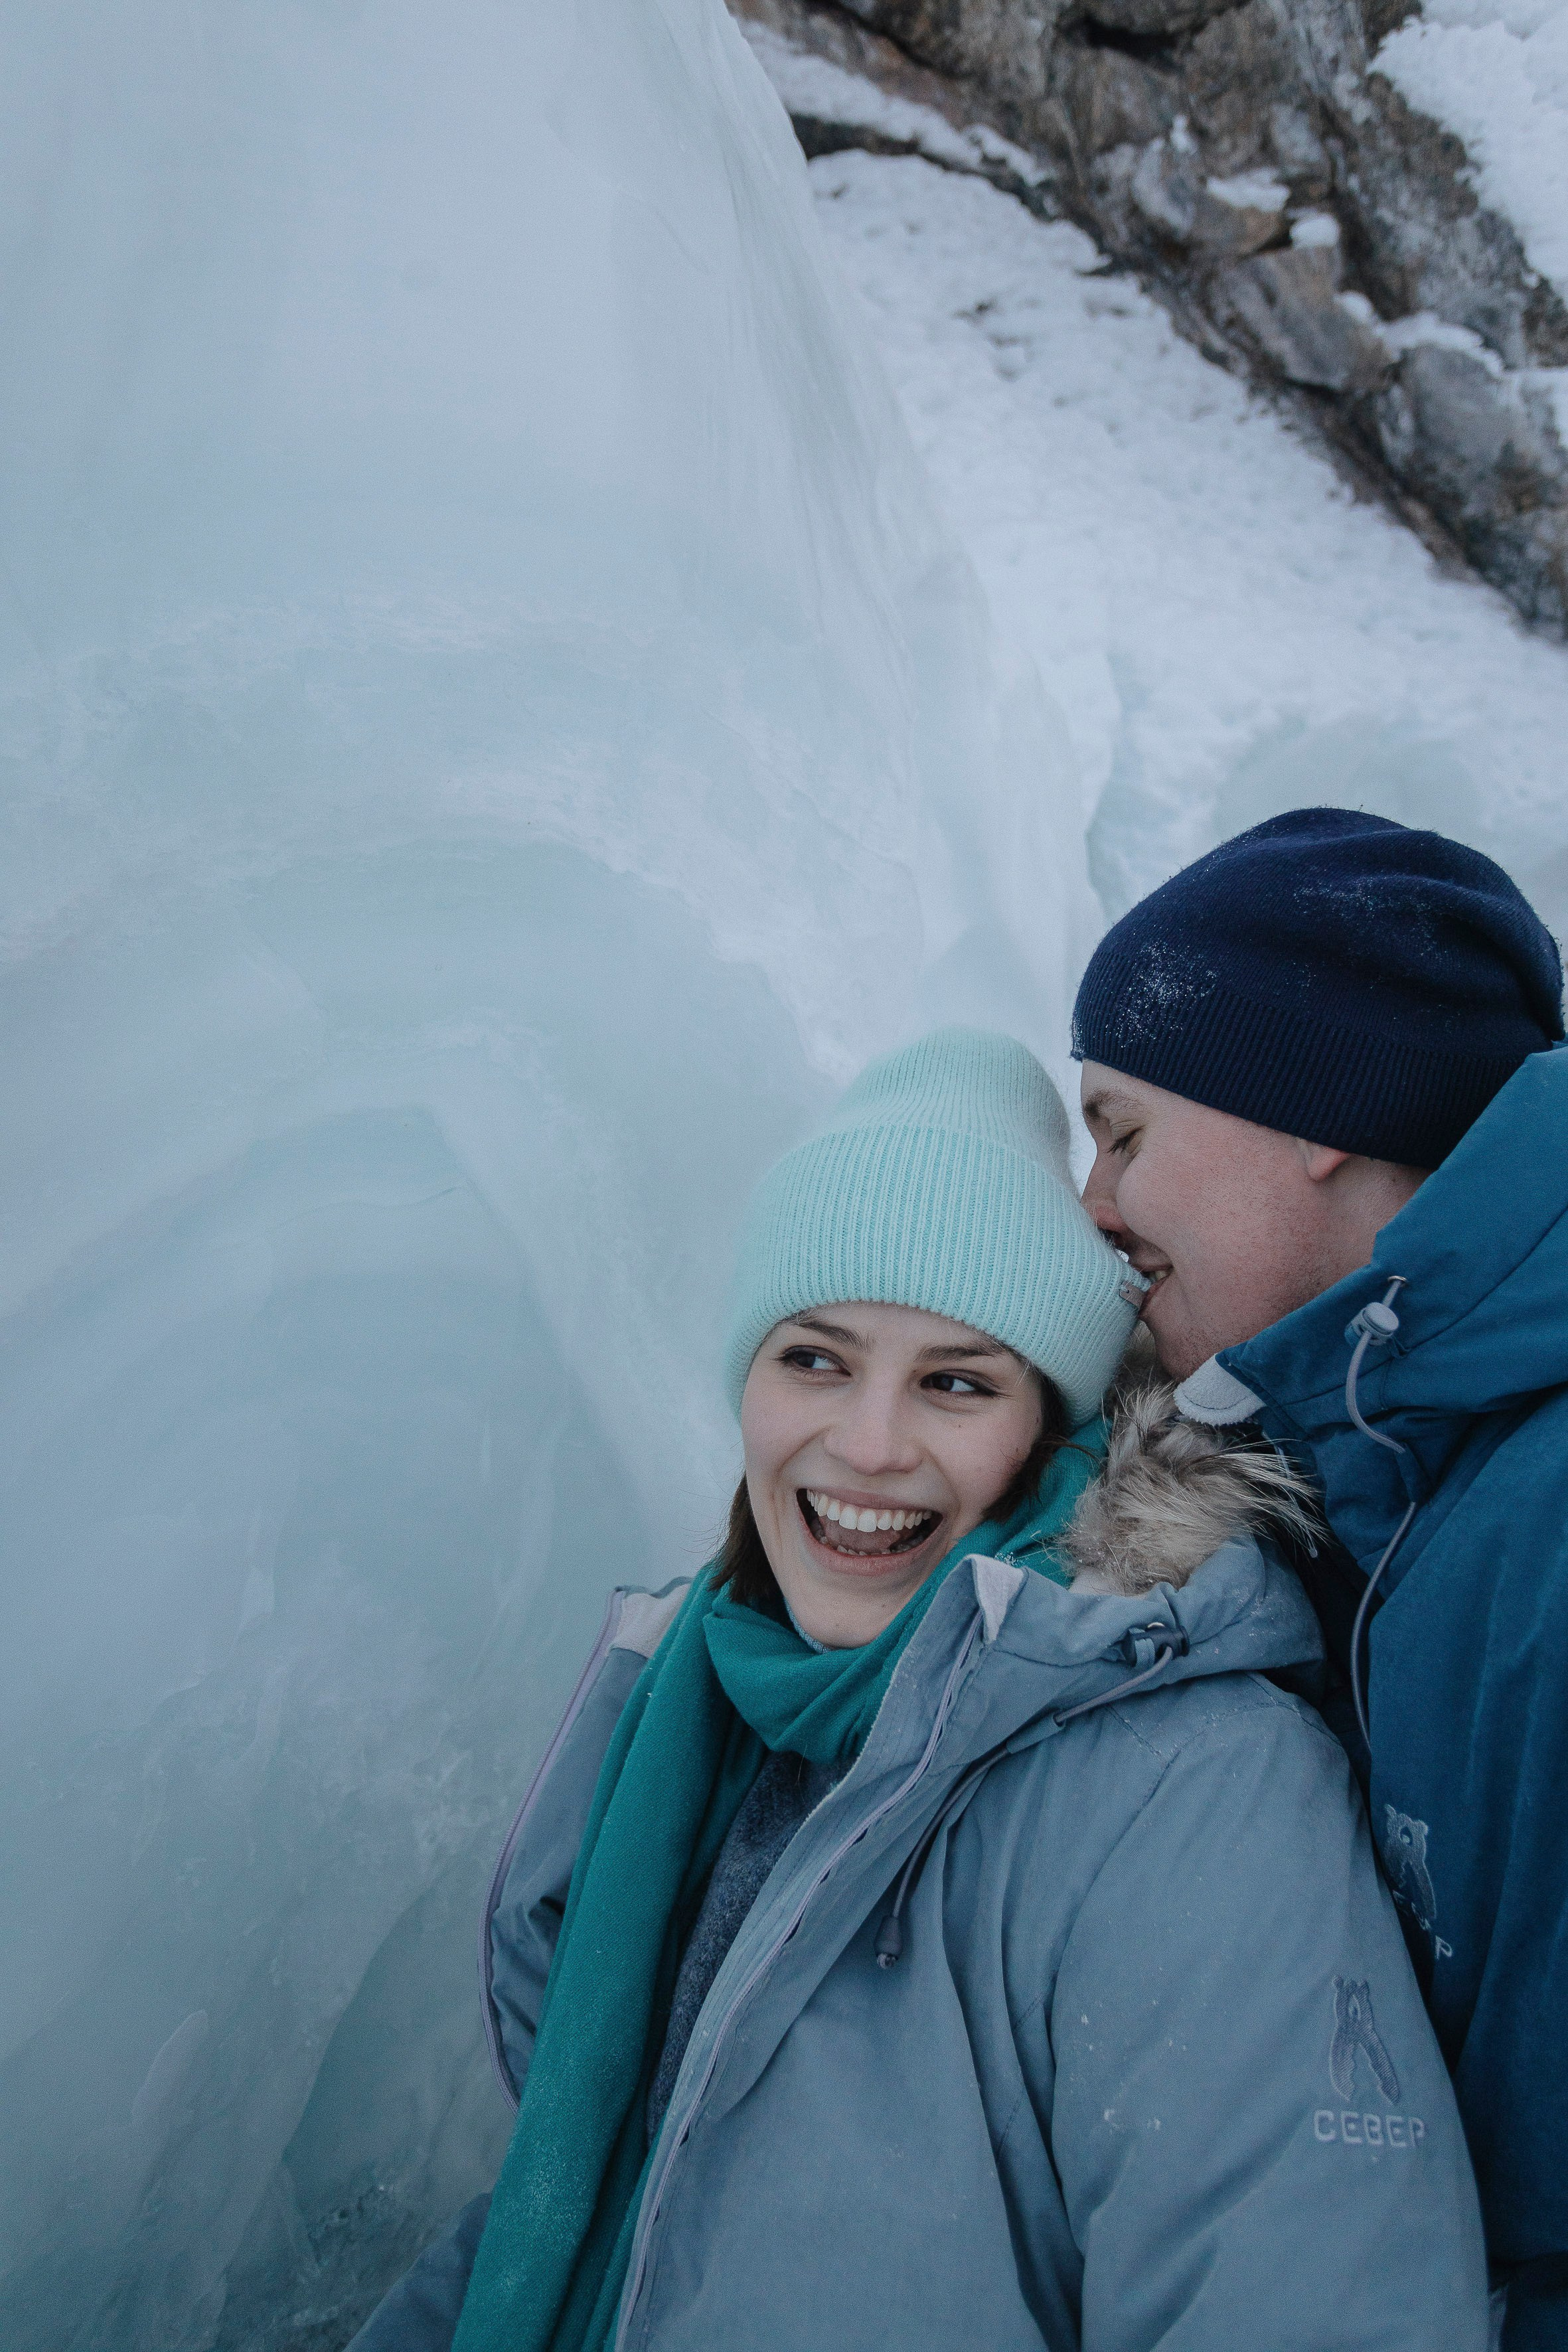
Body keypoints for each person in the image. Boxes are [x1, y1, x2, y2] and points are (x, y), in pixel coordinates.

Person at [353, 1028, 1487, 2352]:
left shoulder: (1185, 1787)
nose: (869, 1442)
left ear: (1046, 1433)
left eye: (955, 1382)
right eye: (814, 1359)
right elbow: (589, 2208)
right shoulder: (697, 1710)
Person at [1073, 808, 1566, 2350]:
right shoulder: (1379, 1452)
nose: (1091, 1202)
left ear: (1316, 1109)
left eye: (1122, 1131)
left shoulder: (1541, 1517)